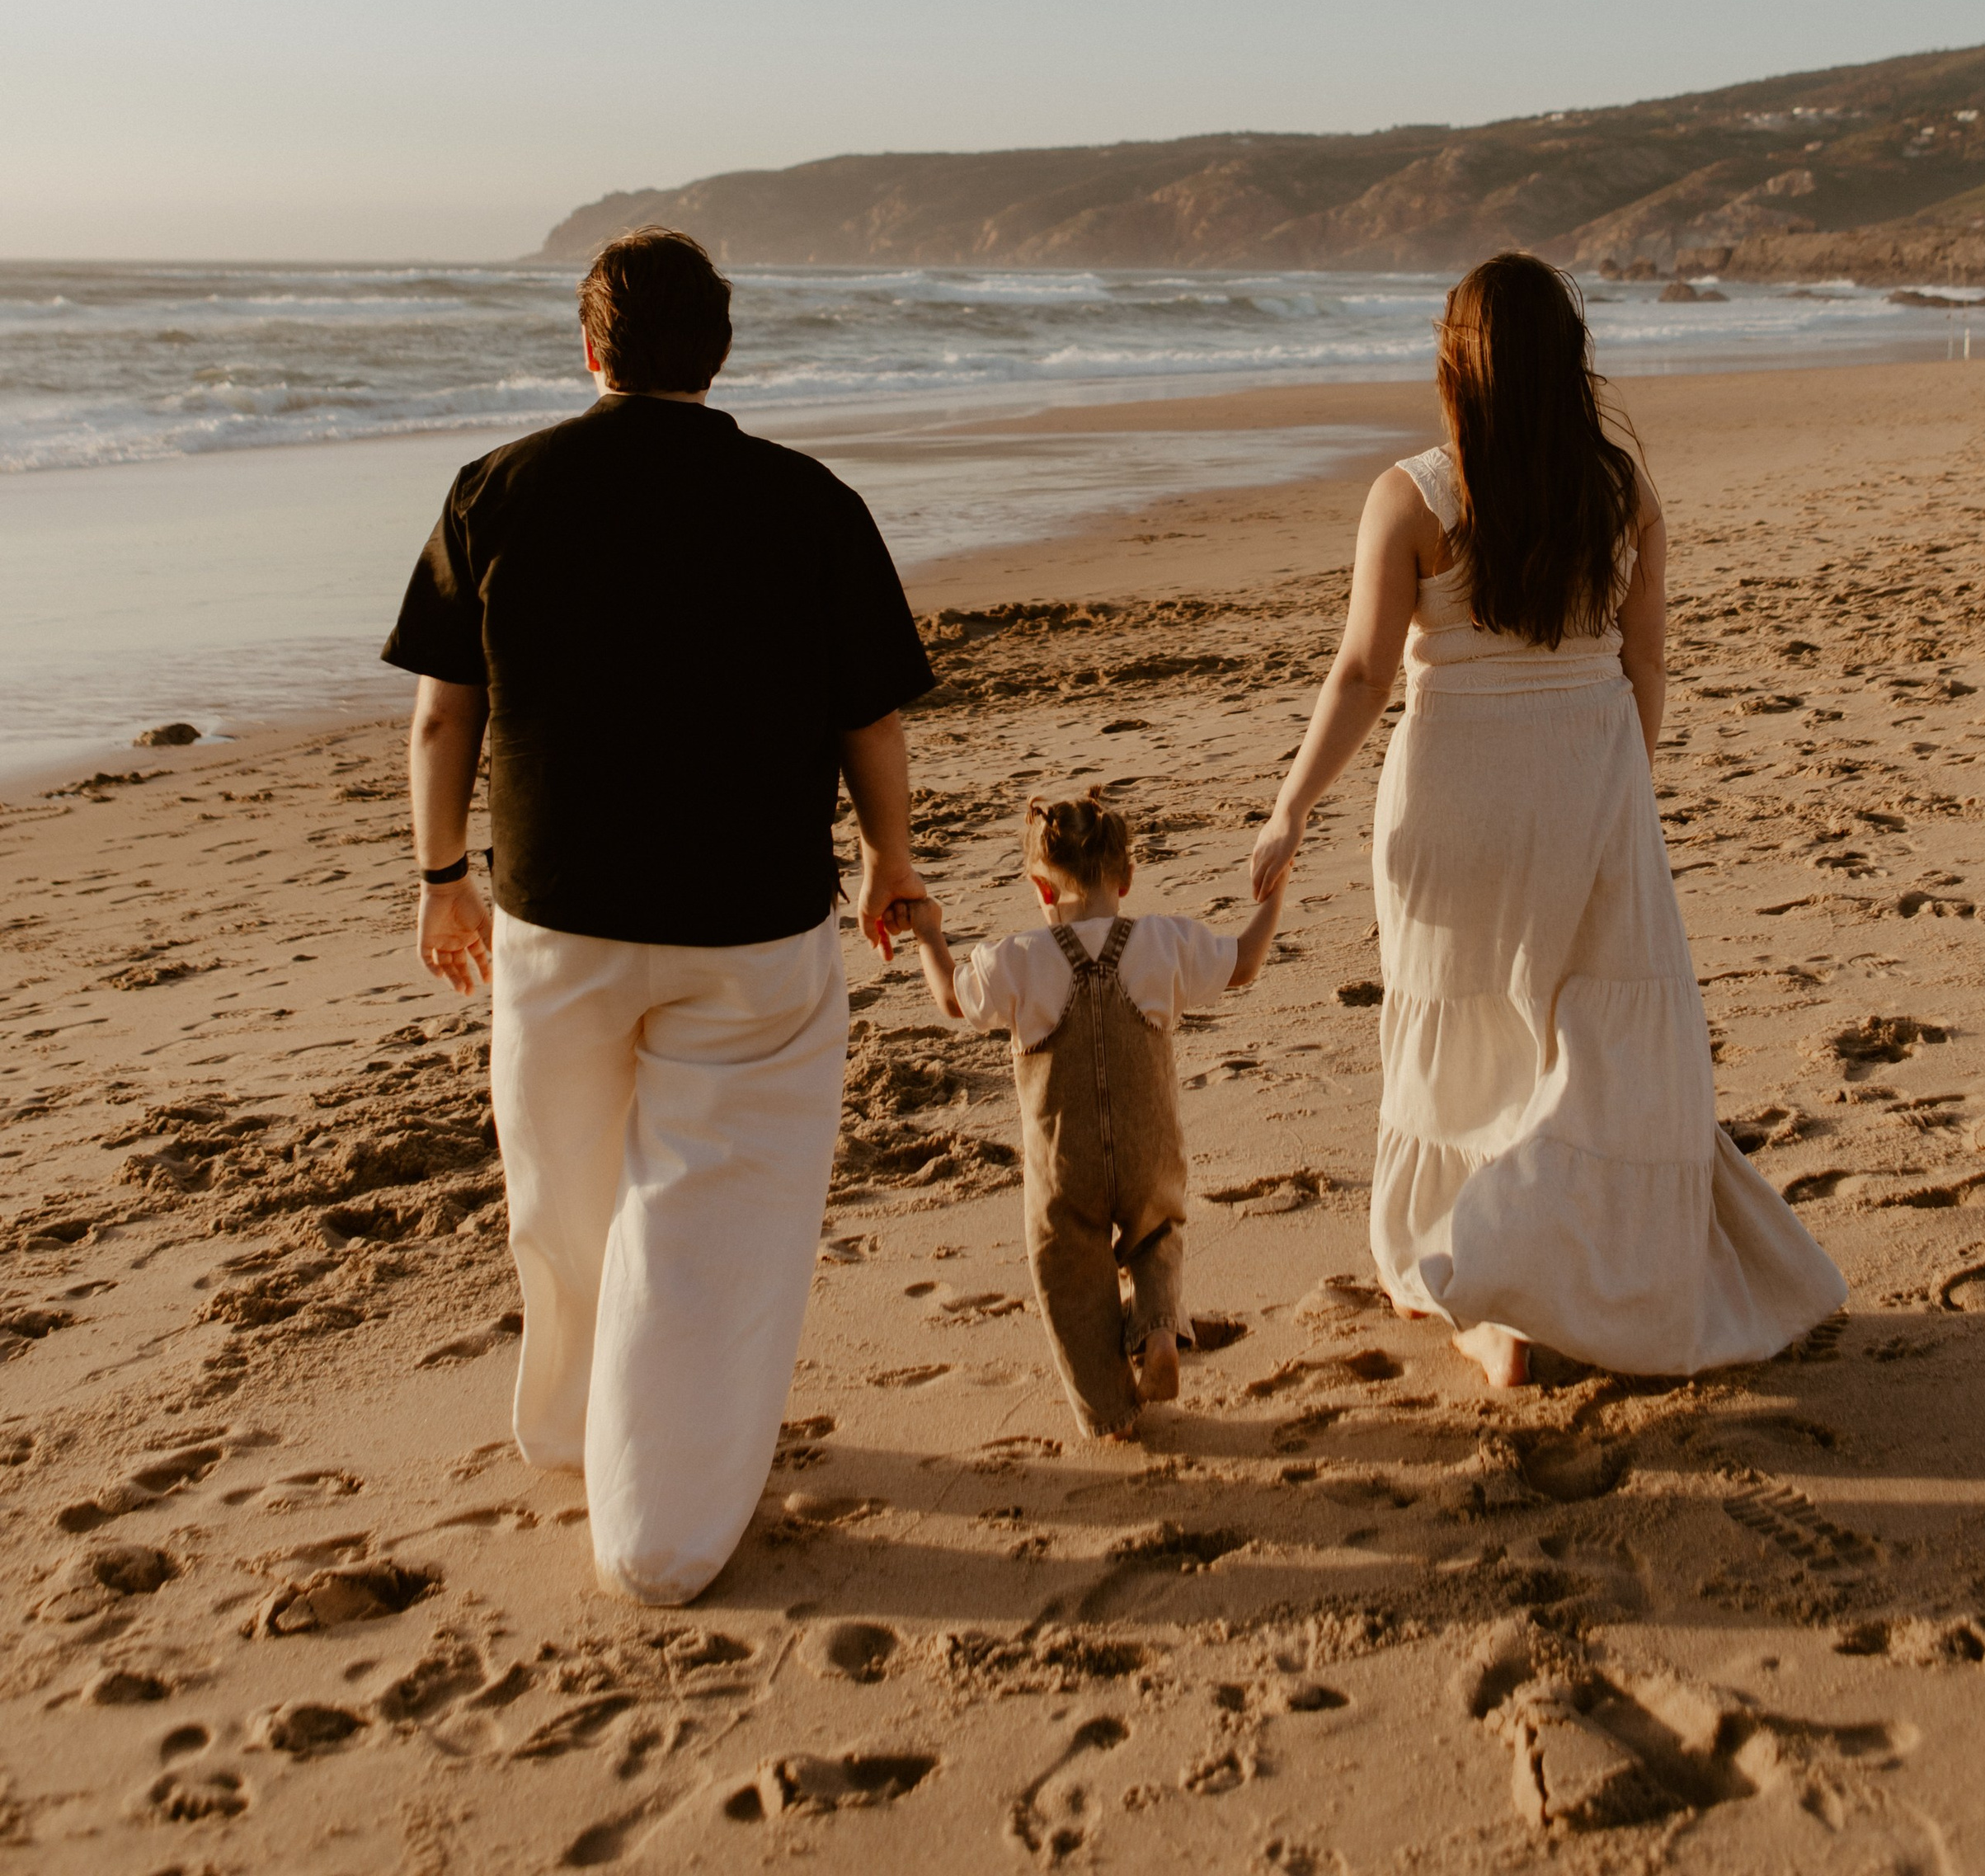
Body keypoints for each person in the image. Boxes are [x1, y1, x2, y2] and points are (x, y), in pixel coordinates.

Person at [380, 227, 934, 1601]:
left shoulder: (498, 489)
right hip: (753, 923)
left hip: (557, 916)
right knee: (717, 1213)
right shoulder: (809, 502)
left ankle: (576, 1430)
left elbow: (445, 715)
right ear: (720, 354)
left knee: (563, 1192)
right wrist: (891, 859)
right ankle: (665, 1522)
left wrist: (443, 878)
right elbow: (868, 718)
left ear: (591, 350)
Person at [1248, 252, 1844, 1393]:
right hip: (1587, 781)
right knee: (1595, 1042)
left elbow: (1364, 672)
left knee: (1461, 1044)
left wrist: (1291, 807)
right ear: (1566, 364)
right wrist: (1621, 786)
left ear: (1456, 367)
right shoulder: (1622, 494)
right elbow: (1644, 662)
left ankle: (1479, 1295)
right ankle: (1537, 1280)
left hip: (1453, 798)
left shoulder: (1413, 498)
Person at [905, 787, 1283, 1437]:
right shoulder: (1161, 942)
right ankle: (1159, 1331)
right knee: (1157, 1231)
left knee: (1068, 1269)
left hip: (1065, 1163)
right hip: (1148, 1148)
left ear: (1040, 888)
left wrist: (929, 932)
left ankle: (1111, 1414)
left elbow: (951, 999)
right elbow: (1245, 963)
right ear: (1126, 877)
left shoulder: (1018, 960)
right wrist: (1275, 893)